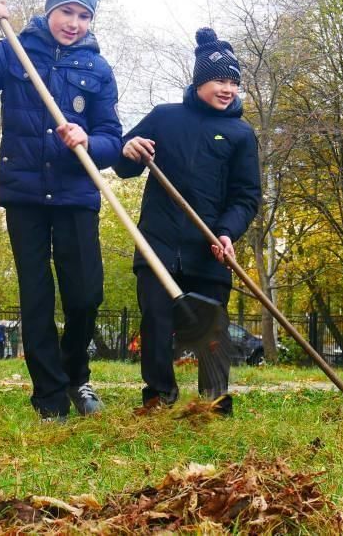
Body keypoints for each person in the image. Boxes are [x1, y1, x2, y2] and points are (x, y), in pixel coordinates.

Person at [0, 0, 122, 421]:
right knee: (37, 297)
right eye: (67, 10)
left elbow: (112, 139)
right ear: (50, 9)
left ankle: (76, 376)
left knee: (85, 296)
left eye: (84, 15)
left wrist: (88, 141)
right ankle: (49, 396)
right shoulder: (14, 53)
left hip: (75, 195)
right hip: (25, 194)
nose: (74, 22)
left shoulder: (98, 69)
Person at [114, 27, 260, 416]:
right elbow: (123, 166)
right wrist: (129, 149)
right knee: (157, 322)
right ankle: (159, 398)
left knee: (212, 327)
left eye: (233, 81)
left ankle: (213, 400)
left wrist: (228, 233)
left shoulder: (241, 134)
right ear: (199, 82)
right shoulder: (164, 118)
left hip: (209, 247)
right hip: (158, 244)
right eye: (218, 80)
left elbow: (247, 196)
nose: (227, 88)